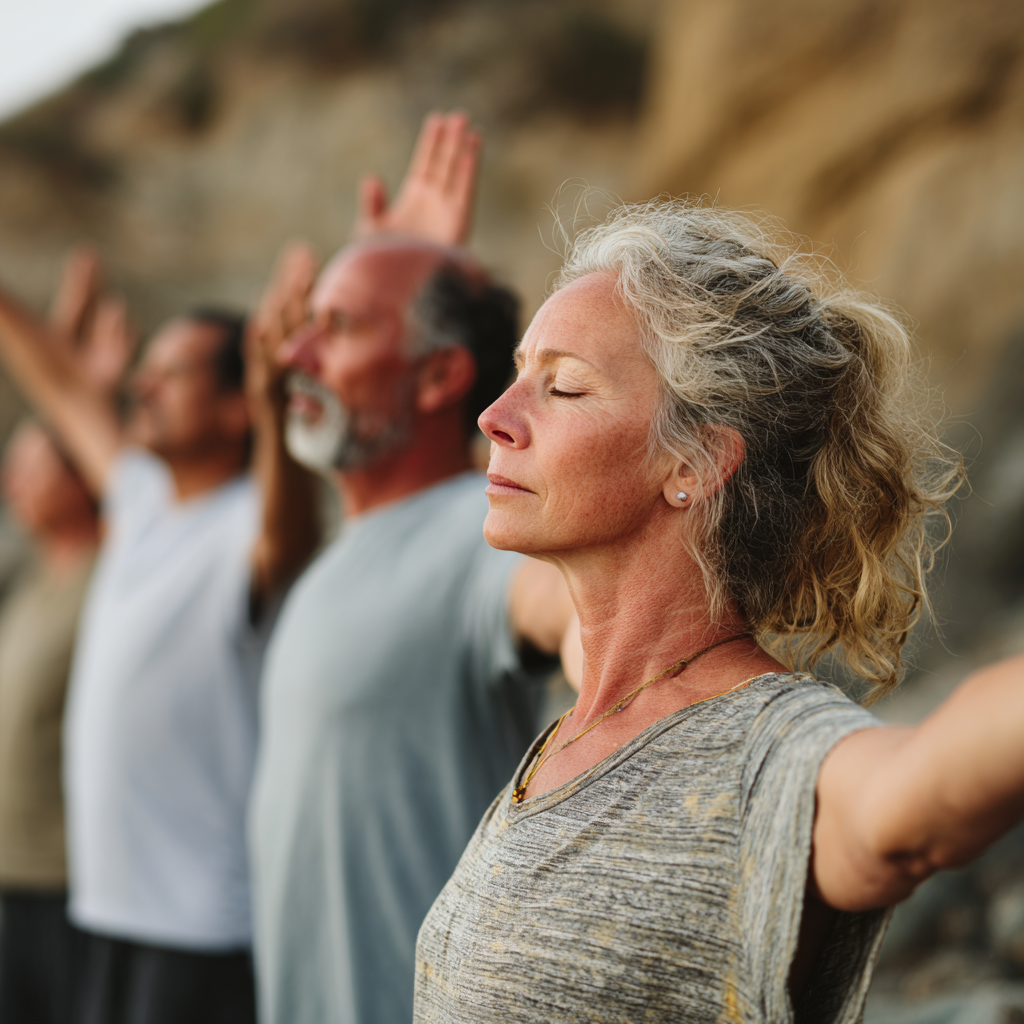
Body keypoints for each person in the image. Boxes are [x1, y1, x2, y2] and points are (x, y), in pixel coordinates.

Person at [412, 199, 1024, 1023]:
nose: (494, 417)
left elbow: (909, 803)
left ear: (693, 463)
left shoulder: (761, 754)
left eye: (561, 386)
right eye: (521, 372)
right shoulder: (590, 710)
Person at [247, 112, 579, 1024]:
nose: (294, 358)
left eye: (338, 330)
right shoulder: (336, 560)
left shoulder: (477, 537)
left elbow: (574, 613)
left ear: (439, 380)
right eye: (303, 328)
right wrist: (387, 275)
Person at [0, 247, 320, 1024]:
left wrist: (276, 402)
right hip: (106, 908)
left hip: (199, 926)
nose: (142, 384)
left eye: (170, 373)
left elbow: (291, 537)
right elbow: (62, 384)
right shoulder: (140, 499)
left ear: (235, 406)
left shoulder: (255, 522)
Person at [0, 421, 98, 1024]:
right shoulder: (31, 576)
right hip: (11, 877)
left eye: (32, 467)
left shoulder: (107, 578)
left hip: (63, 882)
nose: (13, 482)